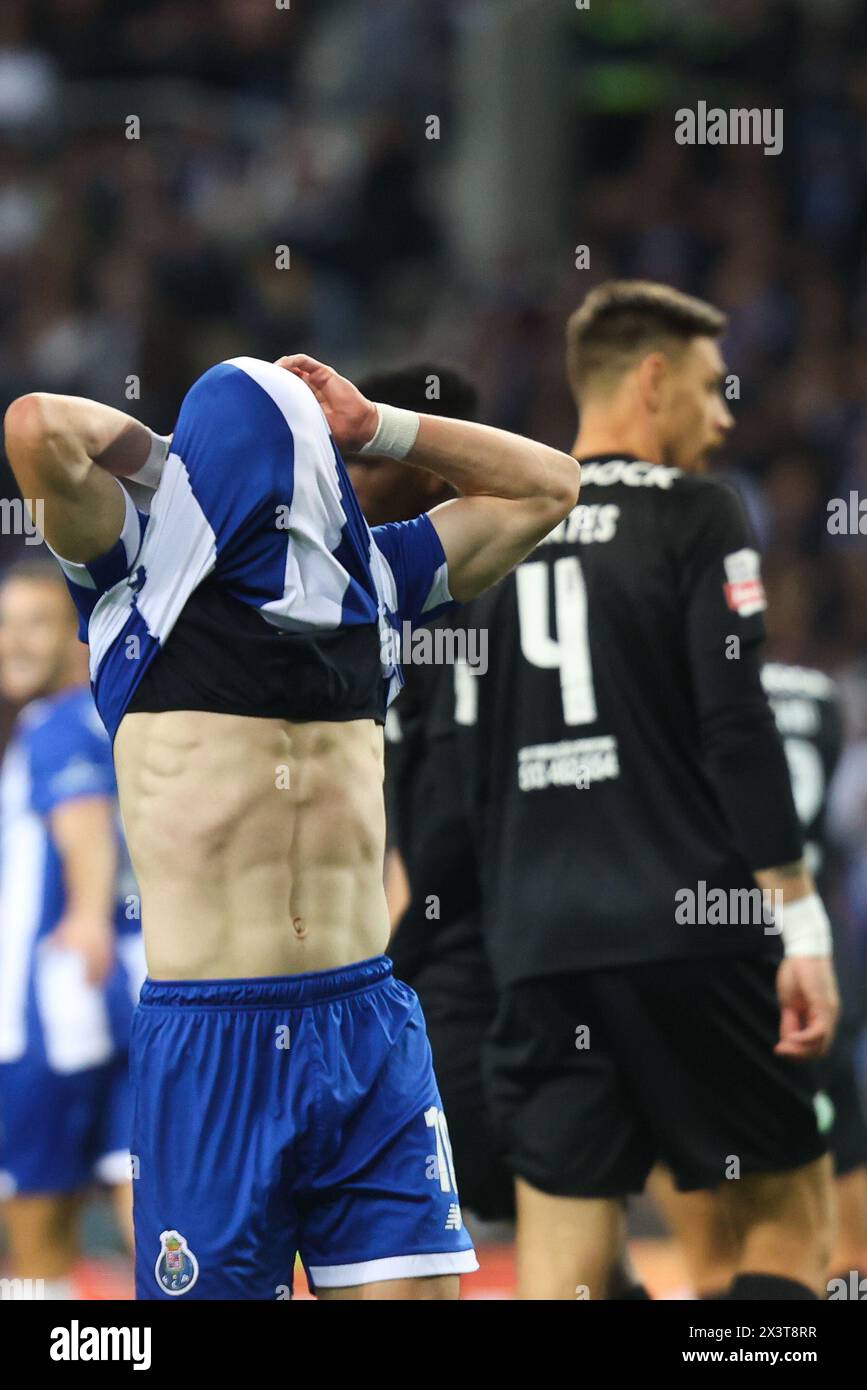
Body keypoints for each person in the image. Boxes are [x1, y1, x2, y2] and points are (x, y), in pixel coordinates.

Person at [3, 351, 579, 1300]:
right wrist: (176, 470)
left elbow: (552, 484)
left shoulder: (376, 585)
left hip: (366, 1022)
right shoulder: (134, 597)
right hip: (211, 1038)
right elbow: (35, 424)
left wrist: (376, 426)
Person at [461, 281, 839, 1300]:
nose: (725, 417)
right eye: (714, 390)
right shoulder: (698, 512)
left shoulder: (490, 543)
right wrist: (799, 928)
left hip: (538, 947)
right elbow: (736, 723)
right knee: (794, 1228)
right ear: (654, 377)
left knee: (565, 1276)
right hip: (689, 927)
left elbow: (464, 772)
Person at [350, 364, 514, 1229]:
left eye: (364, 458)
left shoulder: (483, 601)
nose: (344, 479)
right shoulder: (381, 597)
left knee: (491, 1191)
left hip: (490, 953)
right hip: (438, 940)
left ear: (426, 469)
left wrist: (397, 944)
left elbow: (453, 815)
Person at [650, 659, 867, 1296]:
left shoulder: (667, 682)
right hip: (804, 971)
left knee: (715, 1261)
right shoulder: (823, 696)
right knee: (845, 1253)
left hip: (686, 971)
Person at [0, 560, 144, 1298]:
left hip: (49, 1015)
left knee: (36, 1246)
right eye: (5, 625)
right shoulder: (105, 718)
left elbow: (80, 819)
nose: (13, 643)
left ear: (76, 635)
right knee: (151, 1215)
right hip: (131, 1002)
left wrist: (88, 916)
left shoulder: (54, 725)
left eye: (35, 624)